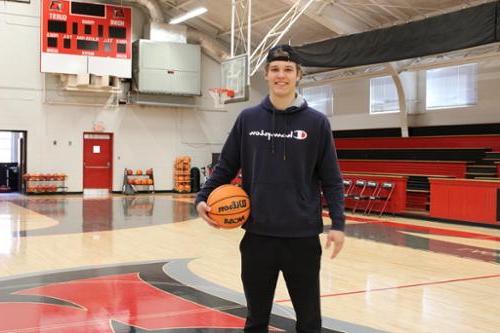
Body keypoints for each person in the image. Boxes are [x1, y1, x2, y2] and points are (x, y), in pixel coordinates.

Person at [195, 44, 345, 333]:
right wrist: (203, 197)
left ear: (298, 75)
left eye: (288, 69)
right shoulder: (248, 119)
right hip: (257, 236)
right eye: (275, 69)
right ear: (266, 74)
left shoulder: (317, 123)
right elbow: (226, 166)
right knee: (256, 320)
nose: (281, 75)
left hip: (301, 237)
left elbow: (332, 178)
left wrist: (338, 223)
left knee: (309, 321)